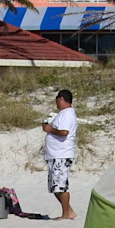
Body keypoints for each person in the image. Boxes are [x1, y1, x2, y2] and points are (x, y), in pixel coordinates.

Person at [42, 89, 78, 220]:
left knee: (60, 186)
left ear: (61, 99)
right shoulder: (63, 114)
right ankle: (69, 211)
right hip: (55, 155)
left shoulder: (67, 113)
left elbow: (64, 132)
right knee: (54, 186)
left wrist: (49, 129)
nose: (56, 103)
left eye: (57, 99)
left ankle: (66, 214)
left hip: (61, 155)